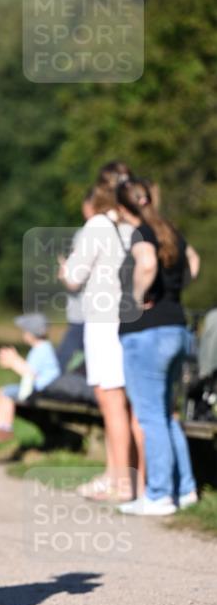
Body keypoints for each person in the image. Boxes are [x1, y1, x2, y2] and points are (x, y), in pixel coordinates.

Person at [116, 178, 200, 515]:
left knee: (150, 417)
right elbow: (193, 262)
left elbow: (147, 263)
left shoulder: (142, 234)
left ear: (123, 208)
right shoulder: (171, 232)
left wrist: (137, 299)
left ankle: (160, 494)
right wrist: (172, 293)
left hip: (147, 334)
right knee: (166, 415)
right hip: (177, 327)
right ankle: (186, 489)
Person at [58, 170, 138, 502]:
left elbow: (75, 278)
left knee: (111, 401)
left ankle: (120, 481)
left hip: (103, 322)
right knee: (127, 402)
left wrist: (64, 269)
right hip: (131, 319)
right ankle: (122, 476)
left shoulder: (98, 226)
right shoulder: (132, 225)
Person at [0, 313, 60, 444]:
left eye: (25, 332)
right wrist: (14, 360)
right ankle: (0, 428)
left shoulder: (41, 350)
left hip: (40, 389)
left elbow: (29, 373)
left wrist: (13, 361)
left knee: (6, 392)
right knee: (4, 391)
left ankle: (4, 428)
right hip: (39, 387)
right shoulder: (42, 348)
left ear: (31, 334)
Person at [55, 190, 94, 373]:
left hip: (83, 314)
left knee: (58, 368)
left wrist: (64, 272)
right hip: (103, 313)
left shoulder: (86, 233)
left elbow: (74, 280)